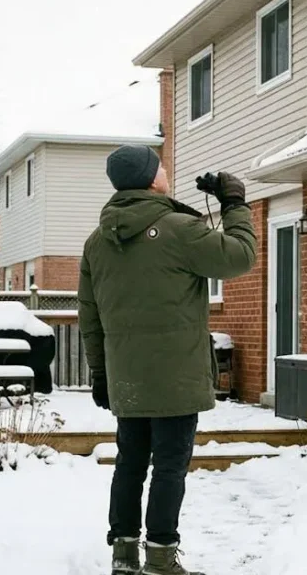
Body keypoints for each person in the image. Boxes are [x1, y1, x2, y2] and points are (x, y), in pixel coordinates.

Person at [79, 145, 256, 575]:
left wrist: (100, 374)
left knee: (130, 463)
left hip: (128, 379)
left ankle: (124, 555)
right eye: (160, 166)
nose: (166, 170)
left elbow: (90, 316)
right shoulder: (177, 229)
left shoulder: (97, 242)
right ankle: (160, 557)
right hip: (175, 380)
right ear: (147, 178)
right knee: (169, 468)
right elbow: (240, 256)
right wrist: (234, 204)